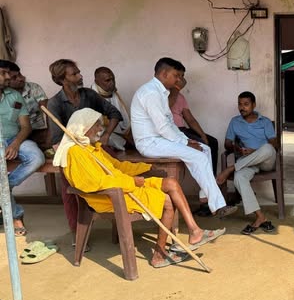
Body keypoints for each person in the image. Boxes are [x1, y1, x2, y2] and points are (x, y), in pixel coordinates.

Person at [54, 108, 225, 268]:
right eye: (97, 125)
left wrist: (146, 168)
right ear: (85, 128)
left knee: (171, 183)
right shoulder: (75, 153)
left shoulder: (93, 149)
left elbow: (118, 166)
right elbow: (93, 183)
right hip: (108, 197)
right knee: (166, 201)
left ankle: (195, 231)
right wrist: (131, 182)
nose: (101, 129)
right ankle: (159, 254)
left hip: (124, 186)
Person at [130, 57, 236, 218]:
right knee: (198, 156)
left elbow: (170, 123)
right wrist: (185, 143)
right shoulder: (150, 93)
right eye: (176, 76)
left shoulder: (161, 92)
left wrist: (187, 140)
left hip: (160, 139)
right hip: (150, 143)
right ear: (164, 74)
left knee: (205, 149)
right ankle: (218, 206)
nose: (179, 80)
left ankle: (204, 195)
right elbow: (163, 127)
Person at [47, 59, 124, 240]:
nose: (80, 76)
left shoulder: (89, 95)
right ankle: (78, 234)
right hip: (72, 153)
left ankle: (120, 223)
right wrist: (77, 156)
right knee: (70, 189)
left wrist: (105, 136)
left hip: (95, 148)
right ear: (62, 79)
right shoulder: (54, 103)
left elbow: (115, 113)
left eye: (79, 72)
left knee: (116, 173)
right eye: (74, 74)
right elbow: (57, 140)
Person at [216, 91, 278, 235]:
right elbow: (227, 143)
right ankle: (260, 217)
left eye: (246, 104)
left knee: (267, 148)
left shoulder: (265, 121)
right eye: (240, 104)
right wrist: (237, 148)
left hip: (265, 160)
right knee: (239, 177)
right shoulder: (235, 122)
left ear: (254, 105)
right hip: (248, 162)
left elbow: (274, 144)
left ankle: (231, 168)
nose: (242, 107)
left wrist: (255, 151)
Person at [0, 60, 45, 236]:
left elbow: (26, 127)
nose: (7, 77)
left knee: (37, 157)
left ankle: (5, 187)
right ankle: (15, 216)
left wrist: (15, 144)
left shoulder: (14, 96)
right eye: (3, 73)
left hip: (15, 138)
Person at [168, 75, 219, 174]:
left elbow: (190, 120)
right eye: (178, 76)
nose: (181, 79)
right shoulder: (163, 94)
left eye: (182, 76)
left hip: (182, 129)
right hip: (172, 130)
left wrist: (203, 135)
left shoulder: (180, 97)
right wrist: (176, 89)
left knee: (212, 142)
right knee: (201, 145)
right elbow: (166, 107)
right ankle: (205, 178)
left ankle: (212, 177)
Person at [5, 61, 50, 150]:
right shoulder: (6, 95)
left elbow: (47, 111)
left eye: (20, 74)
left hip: (39, 129)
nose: (20, 78)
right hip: (19, 134)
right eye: (14, 78)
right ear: (7, 81)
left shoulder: (34, 87)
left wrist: (50, 131)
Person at [91, 67, 132, 150]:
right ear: (97, 81)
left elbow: (121, 119)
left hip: (116, 132)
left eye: (113, 79)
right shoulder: (91, 96)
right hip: (100, 132)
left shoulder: (114, 95)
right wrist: (107, 133)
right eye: (107, 80)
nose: (112, 83)